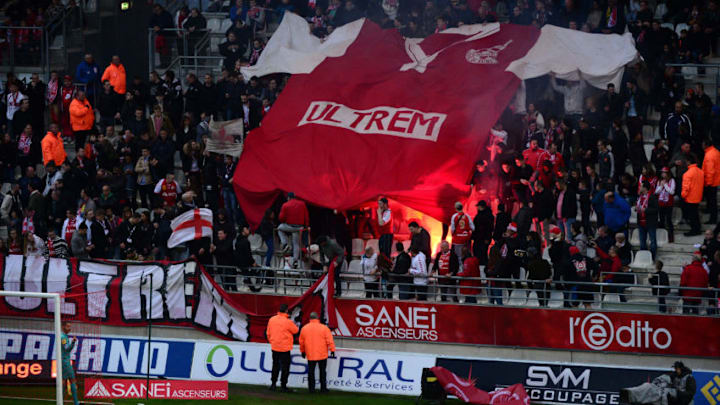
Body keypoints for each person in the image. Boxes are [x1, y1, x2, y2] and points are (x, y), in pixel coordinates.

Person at [299, 312, 335, 394]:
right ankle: (323, 389)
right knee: (322, 371)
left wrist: (302, 351)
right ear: (318, 318)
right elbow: (330, 340)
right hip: (322, 354)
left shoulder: (304, 328)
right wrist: (332, 350)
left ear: (310, 319)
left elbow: (301, 342)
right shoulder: (324, 328)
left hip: (310, 354)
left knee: (311, 372)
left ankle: (311, 389)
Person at [266, 303, 298, 392]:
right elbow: (295, 330)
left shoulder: (272, 319)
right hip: (285, 348)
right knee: (285, 367)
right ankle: (283, 385)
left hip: (275, 346)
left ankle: (273, 384)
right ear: (286, 311)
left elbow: (268, 333)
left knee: (275, 365)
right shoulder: (287, 321)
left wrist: (272, 341)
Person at [278, 192, 309, 267]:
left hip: (289, 226)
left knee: (279, 228)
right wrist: (306, 226)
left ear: (288, 198)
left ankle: (285, 243)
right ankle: (295, 260)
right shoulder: (302, 204)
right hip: (299, 227)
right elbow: (306, 216)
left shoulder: (285, 205)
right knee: (296, 244)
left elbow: (281, 218)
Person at [681, 155, 704, 236]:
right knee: (695, 214)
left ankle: (694, 230)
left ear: (688, 162)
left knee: (692, 215)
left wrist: (683, 195)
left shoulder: (687, 174)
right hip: (698, 196)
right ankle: (697, 229)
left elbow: (686, 187)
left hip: (690, 197)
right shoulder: (701, 171)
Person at [636, 181, 659, 258]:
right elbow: (640, 207)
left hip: (650, 223)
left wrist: (645, 210)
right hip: (641, 222)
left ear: (645, 188)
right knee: (642, 242)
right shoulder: (639, 197)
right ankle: (644, 257)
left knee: (652, 242)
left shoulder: (652, 197)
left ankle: (652, 257)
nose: (639, 187)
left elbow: (656, 209)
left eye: (641, 186)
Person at [60, 321, 79, 405]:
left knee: (64, 380)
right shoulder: (63, 337)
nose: (70, 328)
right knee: (72, 379)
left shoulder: (63, 336)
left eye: (70, 326)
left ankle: (61, 401)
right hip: (65, 361)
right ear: (63, 327)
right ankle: (76, 403)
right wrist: (73, 342)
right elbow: (67, 348)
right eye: (68, 326)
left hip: (63, 360)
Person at [655, 167, 676, 243]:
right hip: (660, 203)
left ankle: (671, 238)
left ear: (668, 173)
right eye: (662, 172)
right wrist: (661, 186)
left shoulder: (672, 180)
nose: (663, 174)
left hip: (669, 203)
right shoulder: (659, 181)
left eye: (664, 172)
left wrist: (666, 185)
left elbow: (672, 192)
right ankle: (662, 237)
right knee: (661, 220)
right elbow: (656, 192)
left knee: (669, 220)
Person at [702, 139, 720, 224]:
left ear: (706, 145)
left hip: (711, 182)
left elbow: (710, 171)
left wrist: (708, 183)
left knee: (712, 201)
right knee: (712, 201)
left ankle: (713, 219)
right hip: (715, 180)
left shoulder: (709, 155)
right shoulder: (715, 151)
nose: (702, 145)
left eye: (703, 144)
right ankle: (710, 213)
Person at [472, 200, 493, 265]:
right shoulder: (481, 214)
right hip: (479, 238)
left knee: (482, 254)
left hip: (482, 238)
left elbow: (489, 228)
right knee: (478, 252)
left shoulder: (487, 216)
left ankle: (483, 266)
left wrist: (487, 238)